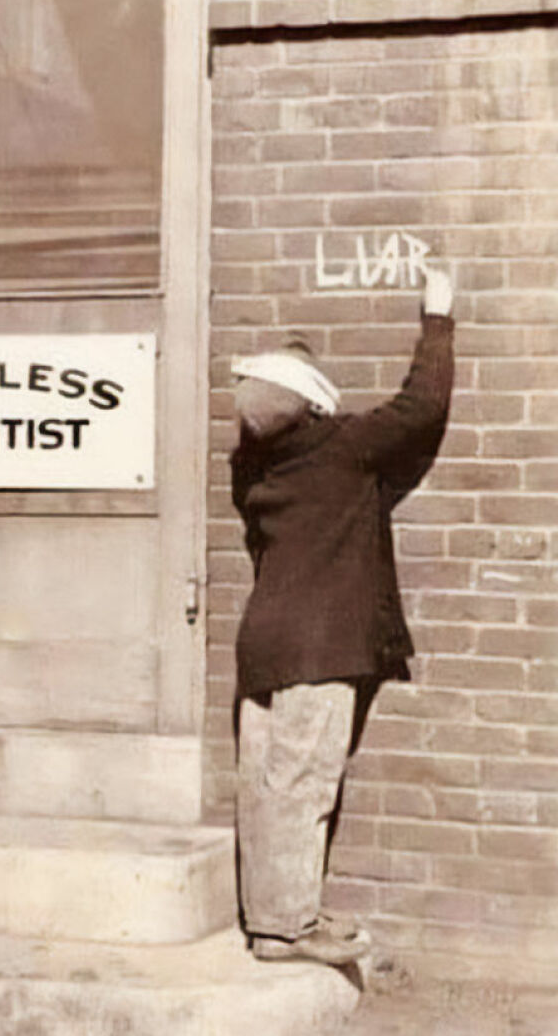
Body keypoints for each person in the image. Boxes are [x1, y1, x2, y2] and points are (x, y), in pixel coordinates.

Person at [229, 269, 454, 965]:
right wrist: (438, 320)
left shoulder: (251, 469)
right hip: (322, 644)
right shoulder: (346, 449)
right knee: (304, 782)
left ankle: (269, 916)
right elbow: (422, 407)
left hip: (261, 640)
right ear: (315, 404)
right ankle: (290, 927)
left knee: (263, 784)